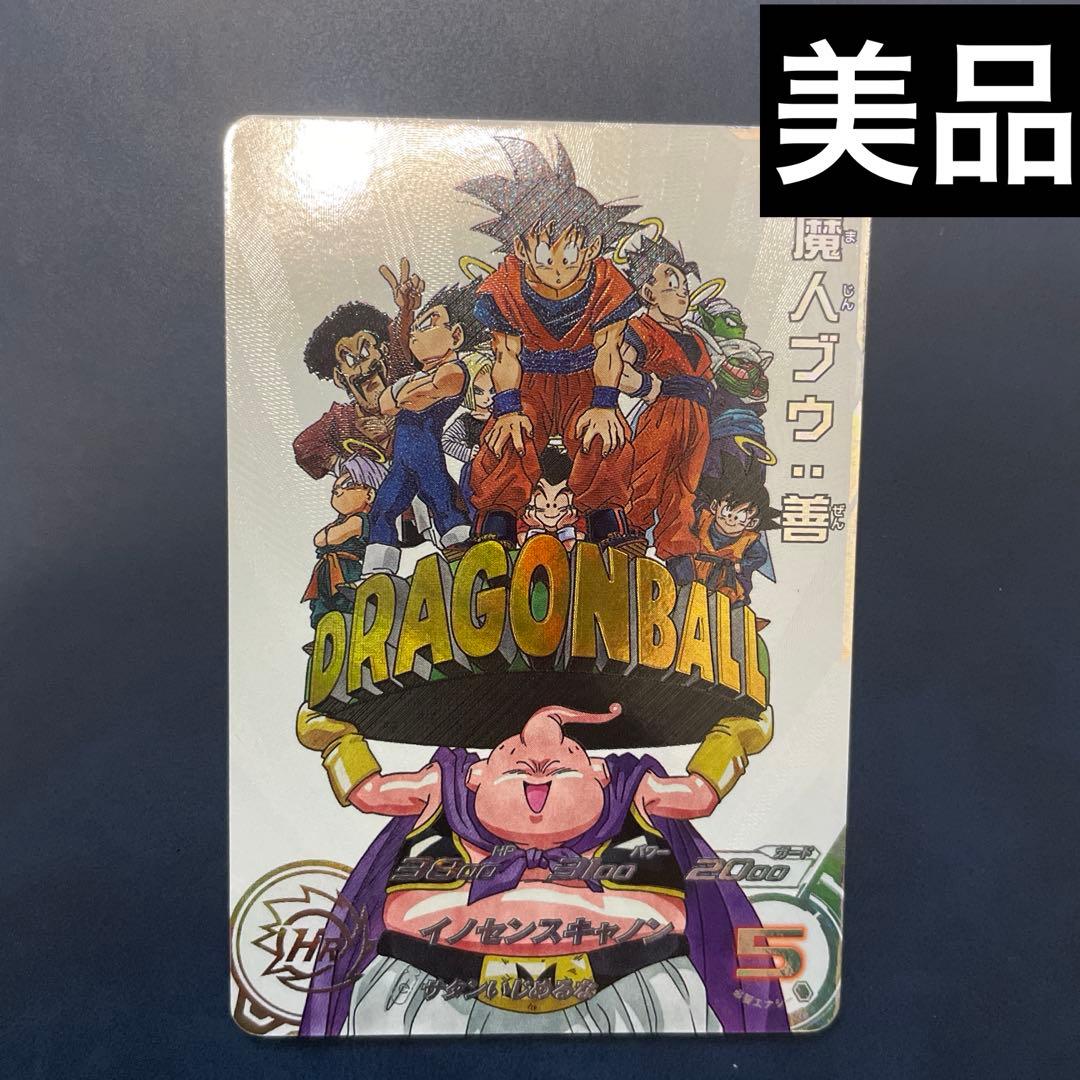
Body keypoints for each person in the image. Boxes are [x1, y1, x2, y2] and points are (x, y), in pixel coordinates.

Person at [295, 701, 788, 1036]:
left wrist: (731, 738)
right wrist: (337, 742)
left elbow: (699, 795)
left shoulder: (631, 789)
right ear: (476, 775)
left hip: (633, 997)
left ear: (599, 773)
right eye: (512, 754)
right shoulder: (440, 787)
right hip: (430, 999)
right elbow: (369, 792)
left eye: (567, 755)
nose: (538, 761)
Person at [457, 137, 643, 550]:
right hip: (529, 382)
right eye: (543, 254)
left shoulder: (608, 284)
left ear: (592, 247)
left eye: (569, 254)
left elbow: (608, 351)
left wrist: (605, 403)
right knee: (506, 437)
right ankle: (497, 527)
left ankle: (606, 525)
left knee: (605, 436)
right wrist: (508, 408)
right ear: (521, 248)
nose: (557, 267)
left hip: (585, 380)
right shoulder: (504, 287)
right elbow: (506, 355)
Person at [363, 284, 483, 572]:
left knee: (443, 504)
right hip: (404, 461)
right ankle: (378, 573)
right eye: (415, 328)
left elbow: (411, 400)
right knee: (382, 509)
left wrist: (400, 393)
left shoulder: (454, 371)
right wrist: (401, 393)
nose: (415, 334)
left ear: (455, 335)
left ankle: (468, 560)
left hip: (425, 454)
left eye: (428, 324)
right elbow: (384, 404)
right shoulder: (422, 374)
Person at [617, 236, 713, 584]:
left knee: (683, 493)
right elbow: (616, 369)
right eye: (672, 286)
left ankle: (681, 567)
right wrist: (647, 387)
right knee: (644, 483)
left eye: (685, 286)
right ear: (649, 293)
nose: (682, 293)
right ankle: (624, 554)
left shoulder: (696, 337)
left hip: (698, 419)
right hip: (663, 414)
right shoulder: (641, 329)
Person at [292, 260, 424, 479]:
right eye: (349, 359)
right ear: (339, 377)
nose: (363, 365)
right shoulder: (342, 421)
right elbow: (303, 446)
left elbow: (401, 342)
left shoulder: (404, 383)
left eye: (365, 350)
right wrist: (349, 468)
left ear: (383, 350)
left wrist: (406, 311)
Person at [302, 454, 388, 627]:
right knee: (320, 606)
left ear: (370, 494)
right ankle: (324, 632)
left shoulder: (360, 519)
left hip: (347, 569)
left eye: (348, 485)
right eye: (335, 489)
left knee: (346, 603)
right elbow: (319, 539)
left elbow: (331, 537)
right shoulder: (341, 521)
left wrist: (328, 535)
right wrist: (328, 535)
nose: (338, 491)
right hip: (325, 569)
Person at [692, 463, 779, 606]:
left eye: (740, 516)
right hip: (694, 574)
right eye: (728, 509)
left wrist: (741, 566)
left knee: (729, 600)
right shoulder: (701, 520)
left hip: (727, 582)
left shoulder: (748, 540)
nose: (731, 518)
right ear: (714, 506)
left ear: (751, 523)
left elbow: (760, 556)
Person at [441, 350, 494, 520]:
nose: (487, 398)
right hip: (475, 471)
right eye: (479, 391)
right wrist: (468, 453)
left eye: (492, 390)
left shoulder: (502, 416)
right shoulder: (466, 420)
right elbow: (446, 441)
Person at [516, 446, 585, 550]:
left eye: (561, 494)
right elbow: (529, 549)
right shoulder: (526, 518)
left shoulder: (575, 518)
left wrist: (564, 527)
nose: (551, 505)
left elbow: (571, 548)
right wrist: (536, 528)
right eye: (541, 494)